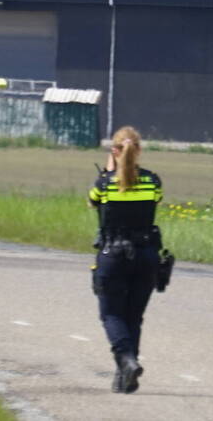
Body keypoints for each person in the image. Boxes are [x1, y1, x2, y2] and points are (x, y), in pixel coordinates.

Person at [89, 126, 163, 394]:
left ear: (115, 151)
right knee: (134, 316)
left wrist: (109, 171)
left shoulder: (105, 184)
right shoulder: (153, 181)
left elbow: (93, 202)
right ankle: (125, 376)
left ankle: (126, 360)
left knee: (111, 313)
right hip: (145, 255)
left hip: (113, 255)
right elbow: (155, 201)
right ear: (139, 150)